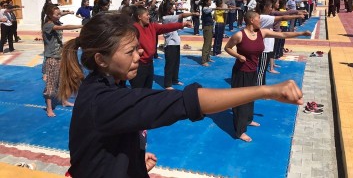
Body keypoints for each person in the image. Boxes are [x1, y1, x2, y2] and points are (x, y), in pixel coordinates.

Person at [57, 13, 303, 177]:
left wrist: (134, 159)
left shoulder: (110, 86)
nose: (138, 56)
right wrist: (267, 90)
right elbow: (181, 103)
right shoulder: (104, 102)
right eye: (131, 51)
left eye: (138, 48)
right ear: (101, 59)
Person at [225, 11, 311, 142]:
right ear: (252, 20)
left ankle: (248, 120)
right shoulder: (239, 35)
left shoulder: (262, 33)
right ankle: (239, 131)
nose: (261, 21)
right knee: (240, 101)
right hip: (241, 72)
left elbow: (282, 34)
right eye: (259, 19)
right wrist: (238, 56)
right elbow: (228, 47)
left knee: (251, 97)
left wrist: (302, 33)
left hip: (253, 70)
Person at [130, 5, 191, 89]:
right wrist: (136, 51)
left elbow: (166, 27)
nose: (149, 16)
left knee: (148, 89)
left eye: (149, 15)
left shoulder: (152, 26)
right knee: (137, 90)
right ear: (139, 17)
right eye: (147, 15)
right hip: (139, 64)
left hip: (149, 63)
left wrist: (182, 24)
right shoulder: (133, 28)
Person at [42, 4, 82, 117]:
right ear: (50, 15)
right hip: (52, 59)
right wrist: (80, 26)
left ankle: (64, 101)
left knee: (62, 81)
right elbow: (63, 27)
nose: (59, 16)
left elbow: (59, 15)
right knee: (51, 84)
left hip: (60, 57)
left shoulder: (55, 19)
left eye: (60, 14)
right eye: (57, 14)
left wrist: (67, 12)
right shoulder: (48, 25)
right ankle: (49, 108)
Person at [161, 0, 198, 89]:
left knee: (176, 63)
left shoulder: (170, 17)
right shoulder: (166, 18)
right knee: (170, 64)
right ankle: (168, 84)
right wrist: (193, 13)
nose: (174, 8)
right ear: (169, 10)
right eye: (172, 8)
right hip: (170, 44)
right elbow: (181, 15)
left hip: (175, 43)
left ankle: (174, 79)